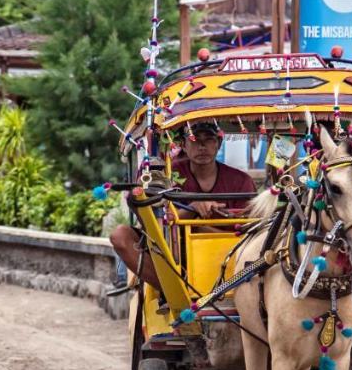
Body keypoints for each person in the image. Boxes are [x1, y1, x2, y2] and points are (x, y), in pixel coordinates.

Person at [109, 121, 255, 288]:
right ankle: (170, 289)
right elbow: (154, 222)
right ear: (183, 145)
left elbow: (248, 226)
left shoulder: (241, 180)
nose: (201, 146)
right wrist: (193, 209)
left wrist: (205, 224)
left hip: (228, 251)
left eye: (208, 139)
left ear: (218, 144)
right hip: (173, 252)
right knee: (120, 236)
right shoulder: (167, 175)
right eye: (194, 139)